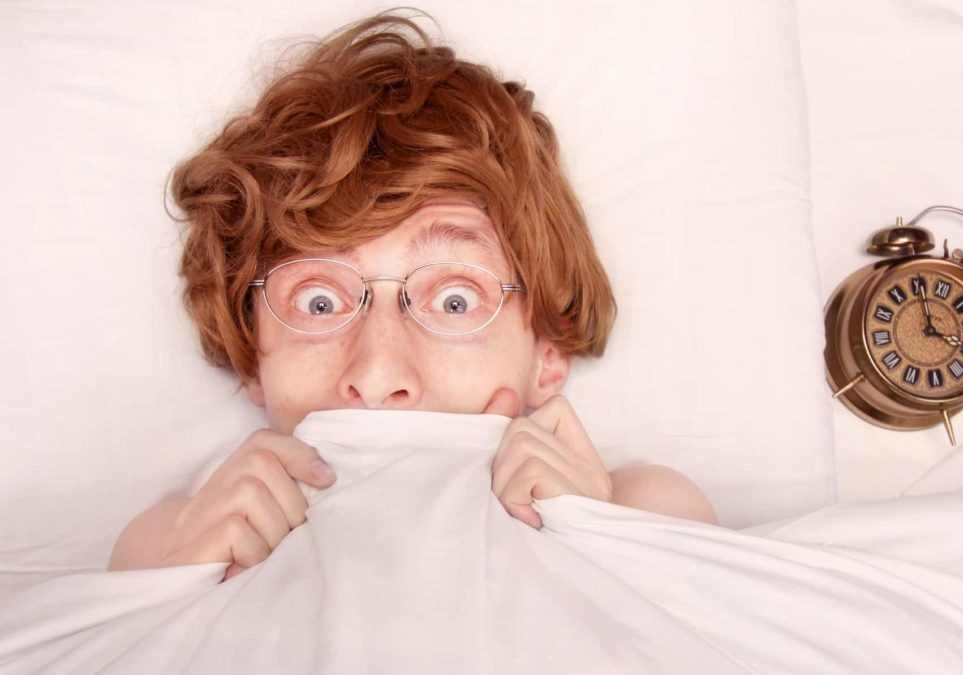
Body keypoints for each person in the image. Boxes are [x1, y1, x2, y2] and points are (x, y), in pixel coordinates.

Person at [108, 12, 718, 581]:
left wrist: (604, 541)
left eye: (455, 300)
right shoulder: (169, 547)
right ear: (253, 357)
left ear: (546, 351)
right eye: (318, 303)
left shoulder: (651, 514)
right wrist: (183, 579)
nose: (377, 377)